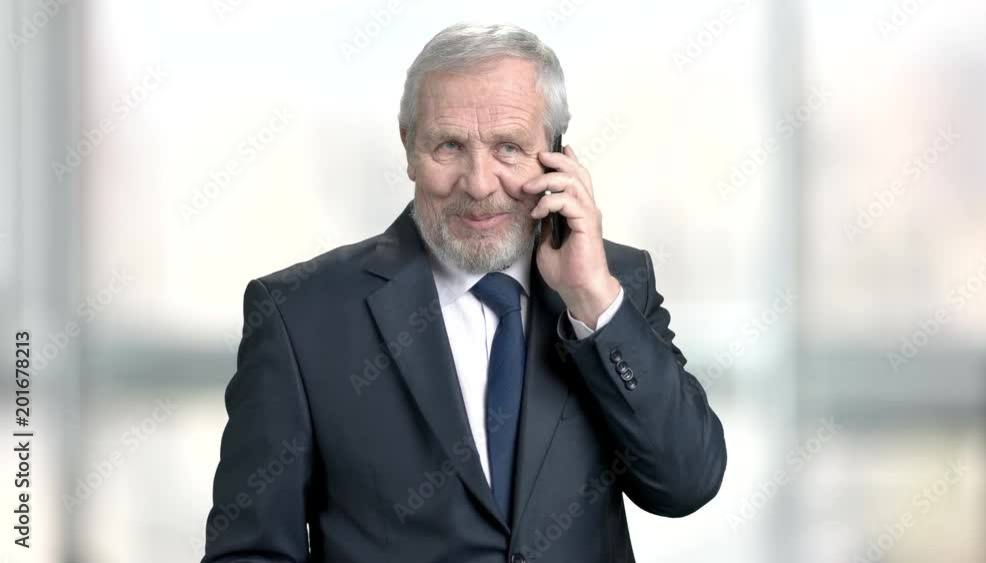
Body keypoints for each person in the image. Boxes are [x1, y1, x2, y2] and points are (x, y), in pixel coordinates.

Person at [202, 22, 726, 563]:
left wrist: (592, 301)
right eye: (449, 145)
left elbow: (686, 483)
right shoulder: (300, 317)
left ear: (557, 154)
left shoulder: (616, 284)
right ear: (408, 148)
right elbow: (249, 552)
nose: (478, 183)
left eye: (508, 147)